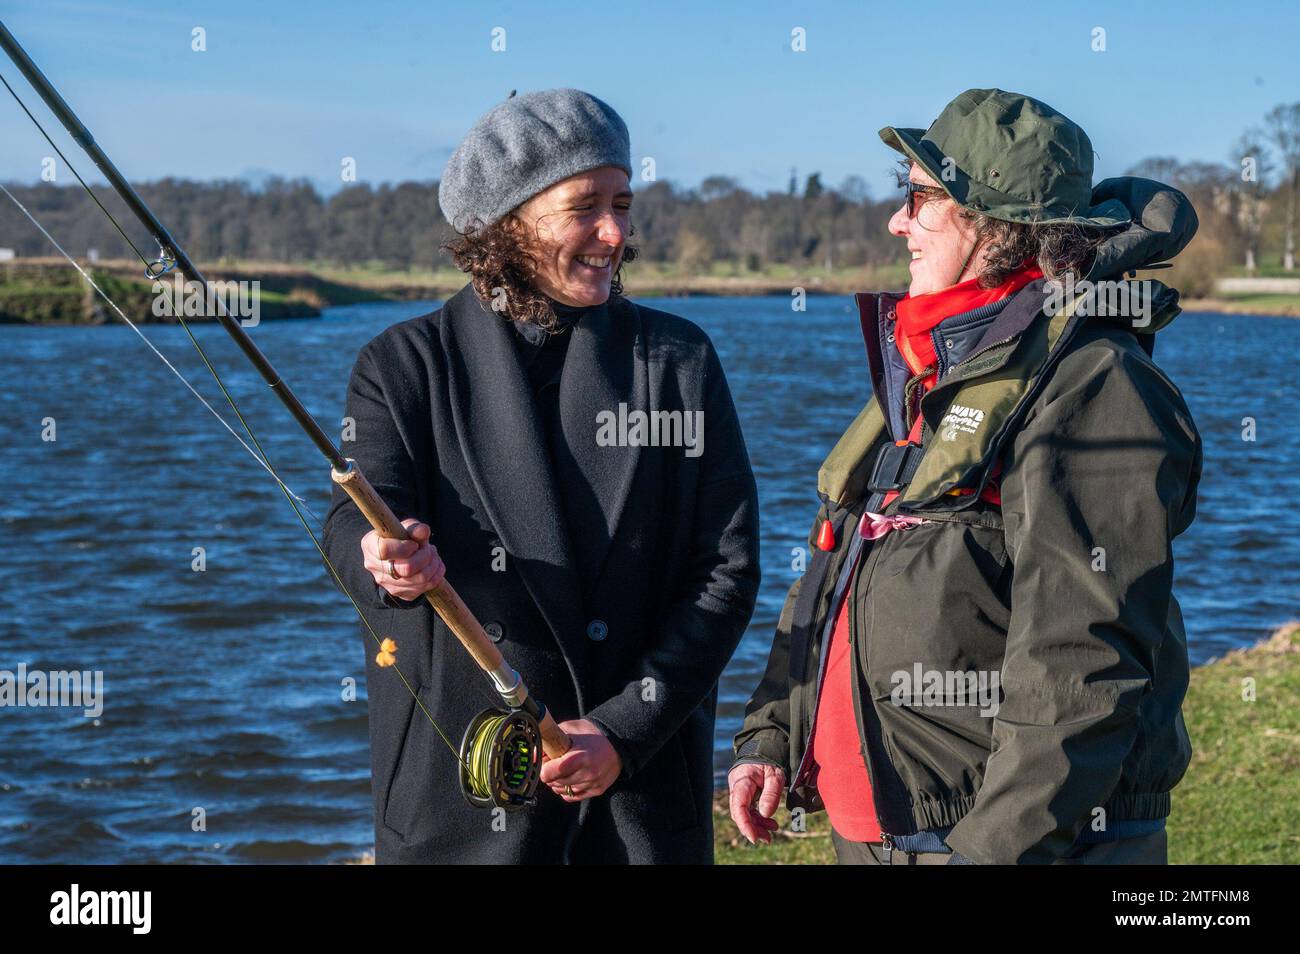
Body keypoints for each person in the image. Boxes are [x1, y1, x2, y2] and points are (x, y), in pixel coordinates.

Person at [730, 88, 1202, 865]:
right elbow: (838, 564)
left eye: (918, 198)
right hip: (883, 831)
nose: (896, 222)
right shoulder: (943, 362)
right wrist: (772, 735)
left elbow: (1082, 653)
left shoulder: (1092, 382)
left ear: (997, 224)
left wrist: (991, 851)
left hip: (1008, 844)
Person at [323, 89, 760, 863]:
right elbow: (354, 521)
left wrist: (625, 729)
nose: (615, 232)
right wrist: (383, 559)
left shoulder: (678, 361)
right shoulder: (401, 366)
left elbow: (724, 571)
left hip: (640, 807)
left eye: (623, 203)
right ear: (507, 220)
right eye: (583, 206)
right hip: (461, 810)